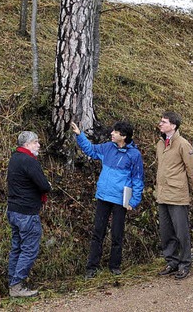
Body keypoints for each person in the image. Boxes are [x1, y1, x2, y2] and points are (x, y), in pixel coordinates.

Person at [71, 119, 144, 278]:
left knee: (117, 234)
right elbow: (90, 150)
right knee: (98, 232)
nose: (111, 133)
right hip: (103, 197)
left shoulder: (134, 155)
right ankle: (92, 267)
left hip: (120, 200)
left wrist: (133, 201)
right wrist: (79, 135)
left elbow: (138, 179)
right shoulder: (107, 147)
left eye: (115, 132)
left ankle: (115, 266)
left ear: (123, 136)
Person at [6, 131, 52, 298]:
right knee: (29, 249)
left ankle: (13, 283)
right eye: (36, 142)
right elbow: (43, 185)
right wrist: (48, 185)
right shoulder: (29, 161)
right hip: (26, 213)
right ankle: (17, 285)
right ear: (26, 145)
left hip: (13, 210)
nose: (39, 145)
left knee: (17, 248)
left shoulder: (15, 158)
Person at [155, 111, 193, 280]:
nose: (160, 124)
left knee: (181, 232)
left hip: (177, 195)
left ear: (173, 125)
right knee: (166, 232)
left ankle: (184, 263)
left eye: (164, 121)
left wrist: (186, 188)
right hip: (163, 194)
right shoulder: (160, 143)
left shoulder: (182, 144)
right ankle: (171, 261)